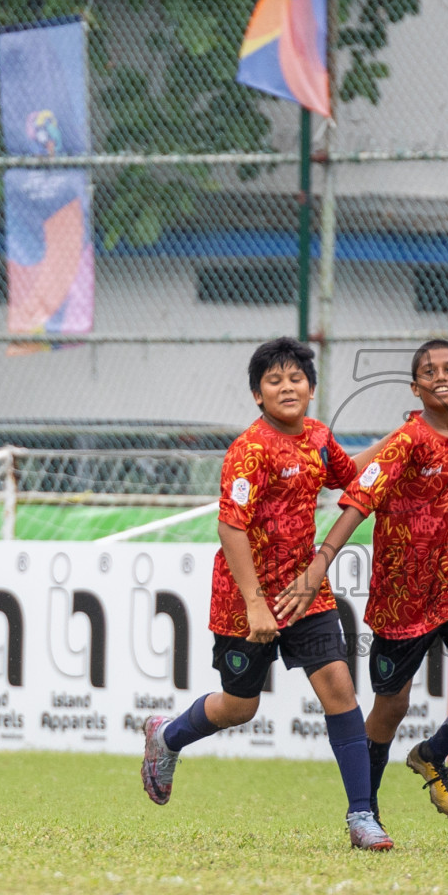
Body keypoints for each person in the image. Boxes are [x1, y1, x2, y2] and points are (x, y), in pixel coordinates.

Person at [139, 338, 393, 851]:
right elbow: (230, 528)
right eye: (273, 381)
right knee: (239, 707)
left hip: (306, 593)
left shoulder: (319, 438)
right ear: (258, 395)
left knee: (340, 689)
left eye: (295, 378)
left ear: (312, 388)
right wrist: (255, 603)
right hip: (244, 599)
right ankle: (167, 737)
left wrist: (400, 440)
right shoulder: (249, 450)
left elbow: (351, 474)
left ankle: (362, 816)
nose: (286, 387)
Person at [278, 339, 448, 822]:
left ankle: (432, 754)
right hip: (402, 597)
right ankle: (366, 810)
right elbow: (358, 502)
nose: (439, 375)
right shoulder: (406, 441)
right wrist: (321, 563)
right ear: (415, 387)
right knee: (390, 709)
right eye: (428, 371)